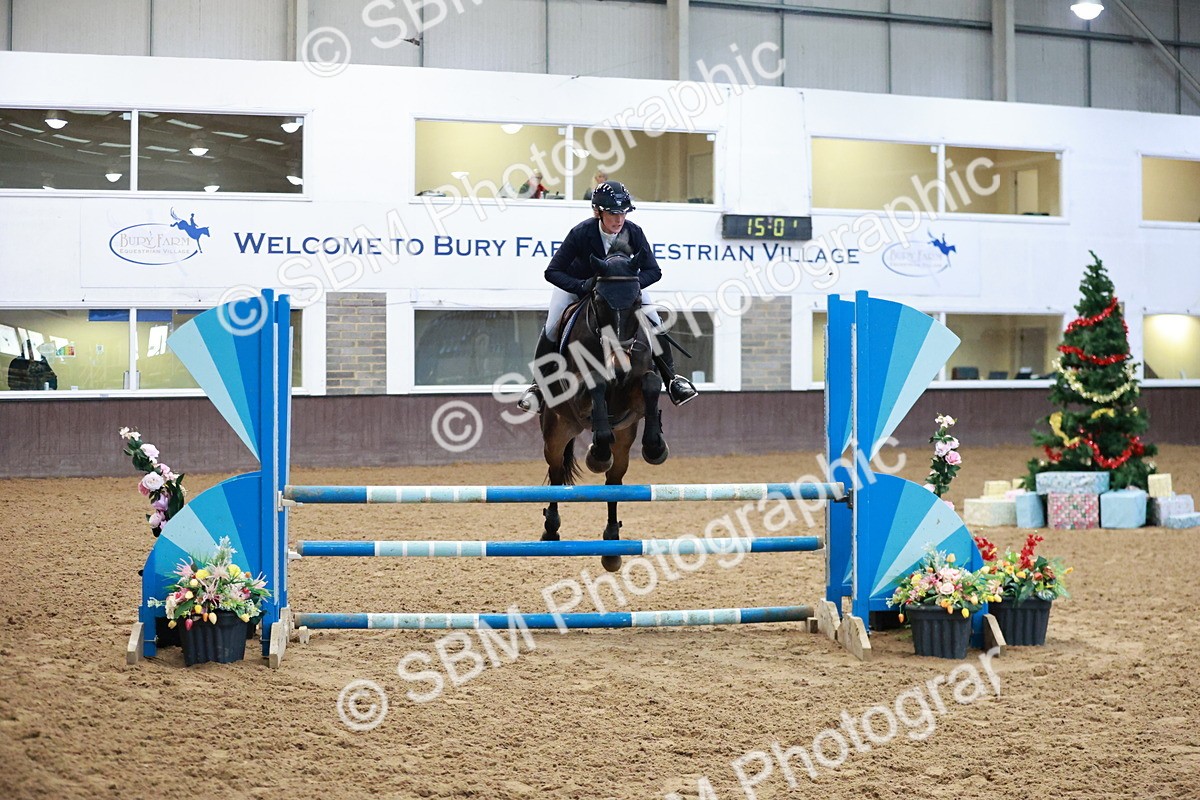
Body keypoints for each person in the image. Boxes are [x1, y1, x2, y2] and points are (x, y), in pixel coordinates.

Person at [517, 180, 698, 412]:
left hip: (623, 290)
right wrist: (582, 285)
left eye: (623, 213)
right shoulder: (581, 233)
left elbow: (654, 271)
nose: (619, 220)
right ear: (598, 212)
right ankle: (538, 388)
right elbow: (552, 272)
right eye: (613, 213)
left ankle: (673, 380)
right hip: (579, 285)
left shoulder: (633, 232)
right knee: (553, 325)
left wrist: (629, 286)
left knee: (655, 320)